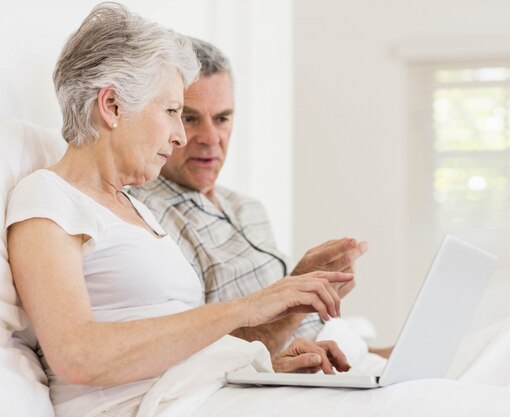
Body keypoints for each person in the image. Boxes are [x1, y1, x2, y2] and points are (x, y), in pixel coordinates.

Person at [6, 4, 354, 416]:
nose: (180, 136)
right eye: (172, 111)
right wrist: (247, 307)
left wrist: (264, 368)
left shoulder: (134, 208)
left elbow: (170, 349)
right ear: (113, 106)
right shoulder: (48, 197)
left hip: (201, 395)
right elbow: (77, 355)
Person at [128, 38, 384, 357]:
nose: (211, 138)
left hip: (337, 352)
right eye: (190, 118)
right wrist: (298, 294)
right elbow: (196, 352)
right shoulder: (144, 216)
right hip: (275, 377)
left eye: (222, 118)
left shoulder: (248, 208)